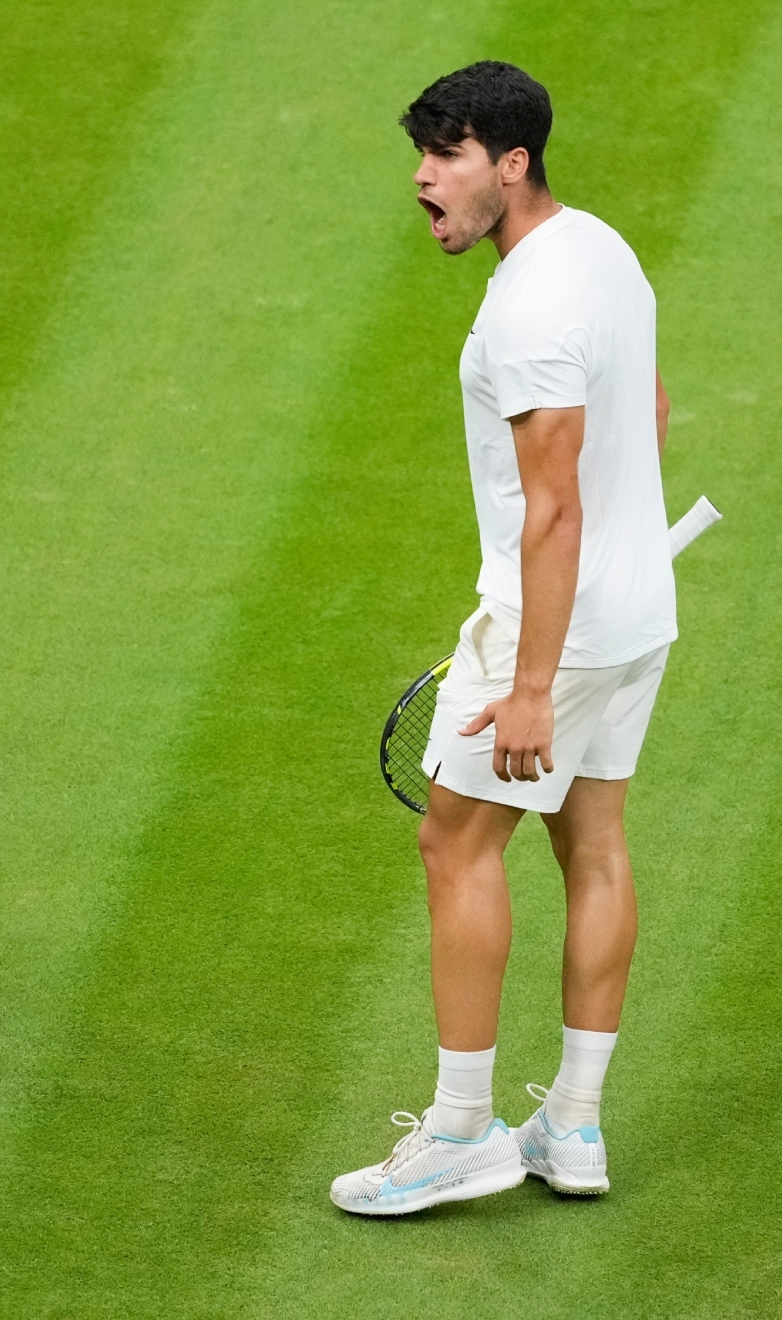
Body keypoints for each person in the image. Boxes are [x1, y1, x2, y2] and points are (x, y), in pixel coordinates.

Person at [330, 62, 676, 1216]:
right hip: (636, 614)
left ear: (511, 164)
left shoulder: (527, 308)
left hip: (558, 629)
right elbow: (653, 413)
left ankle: (463, 1131)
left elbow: (555, 504)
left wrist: (529, 684)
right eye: (422, 153)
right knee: (597, 845)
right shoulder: (604, 250)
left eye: (449, 156)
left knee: (456, 847)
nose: (424, 179)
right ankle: (572, 1126)